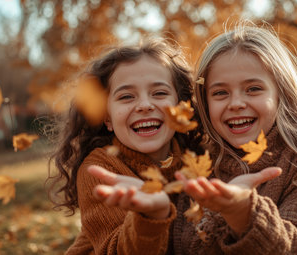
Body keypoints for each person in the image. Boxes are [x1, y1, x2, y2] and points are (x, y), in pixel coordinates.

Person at [170, 23, 297, 254]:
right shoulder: (197, 161)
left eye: (253, 89)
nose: (236, 103)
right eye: (220, 93)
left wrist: (244, 214)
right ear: (205, 102)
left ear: (282, 95)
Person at [47, 38, 204, 254]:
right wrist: (151, 216)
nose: (145, 105)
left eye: (159, 93)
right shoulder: (101, 171)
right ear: (107, 118)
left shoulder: (197, 158)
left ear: (182, 106)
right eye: (126, 96)